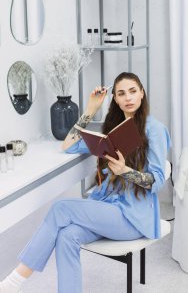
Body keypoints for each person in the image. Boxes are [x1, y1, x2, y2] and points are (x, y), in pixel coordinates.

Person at [0, 72, 171, 293]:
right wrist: (91, 109)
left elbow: (157, 182)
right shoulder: (114, 128)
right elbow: (69, 145)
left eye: (133, 91)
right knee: (67, 235)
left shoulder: (153, 129)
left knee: (61, 207)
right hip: (108, 209)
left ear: (142, 93)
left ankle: (14, 282)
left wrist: (125, 171)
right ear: (116, 100)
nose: (128, 97)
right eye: (121, 93)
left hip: (133, 218)